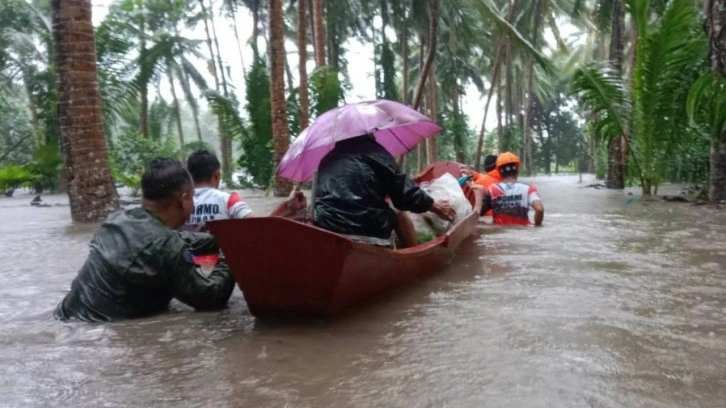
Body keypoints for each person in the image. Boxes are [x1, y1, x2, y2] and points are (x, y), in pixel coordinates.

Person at [55, 158, 237, 322]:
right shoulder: (167, 247)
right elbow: (211, 298)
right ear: (184, 199)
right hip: (95, 331)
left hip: (65, 318)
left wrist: (222, 238)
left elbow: (174, 240)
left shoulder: (118, 220)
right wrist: (232, 255)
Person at [312, 134, 457, 248]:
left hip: (326, 227)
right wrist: (434, 206)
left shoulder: (326, 159)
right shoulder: (375, 153)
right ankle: (412, 257)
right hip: (368, 230)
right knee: (398, 212)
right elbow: (406, 196)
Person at [184, 149, 307, 230]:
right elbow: (260, 226)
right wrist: (288, 206)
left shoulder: (179, 204)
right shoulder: (228, 200)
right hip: (223, 263)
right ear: (217, 175)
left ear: (189, 176)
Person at [481, 152, 544, 226]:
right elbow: (539, 209)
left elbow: (478, 212)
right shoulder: (529, 189)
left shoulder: (491, 190)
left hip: (499, 233)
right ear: (517, 169)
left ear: (499, 172)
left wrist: (478, 195)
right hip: (524, 234)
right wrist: (537, 225)